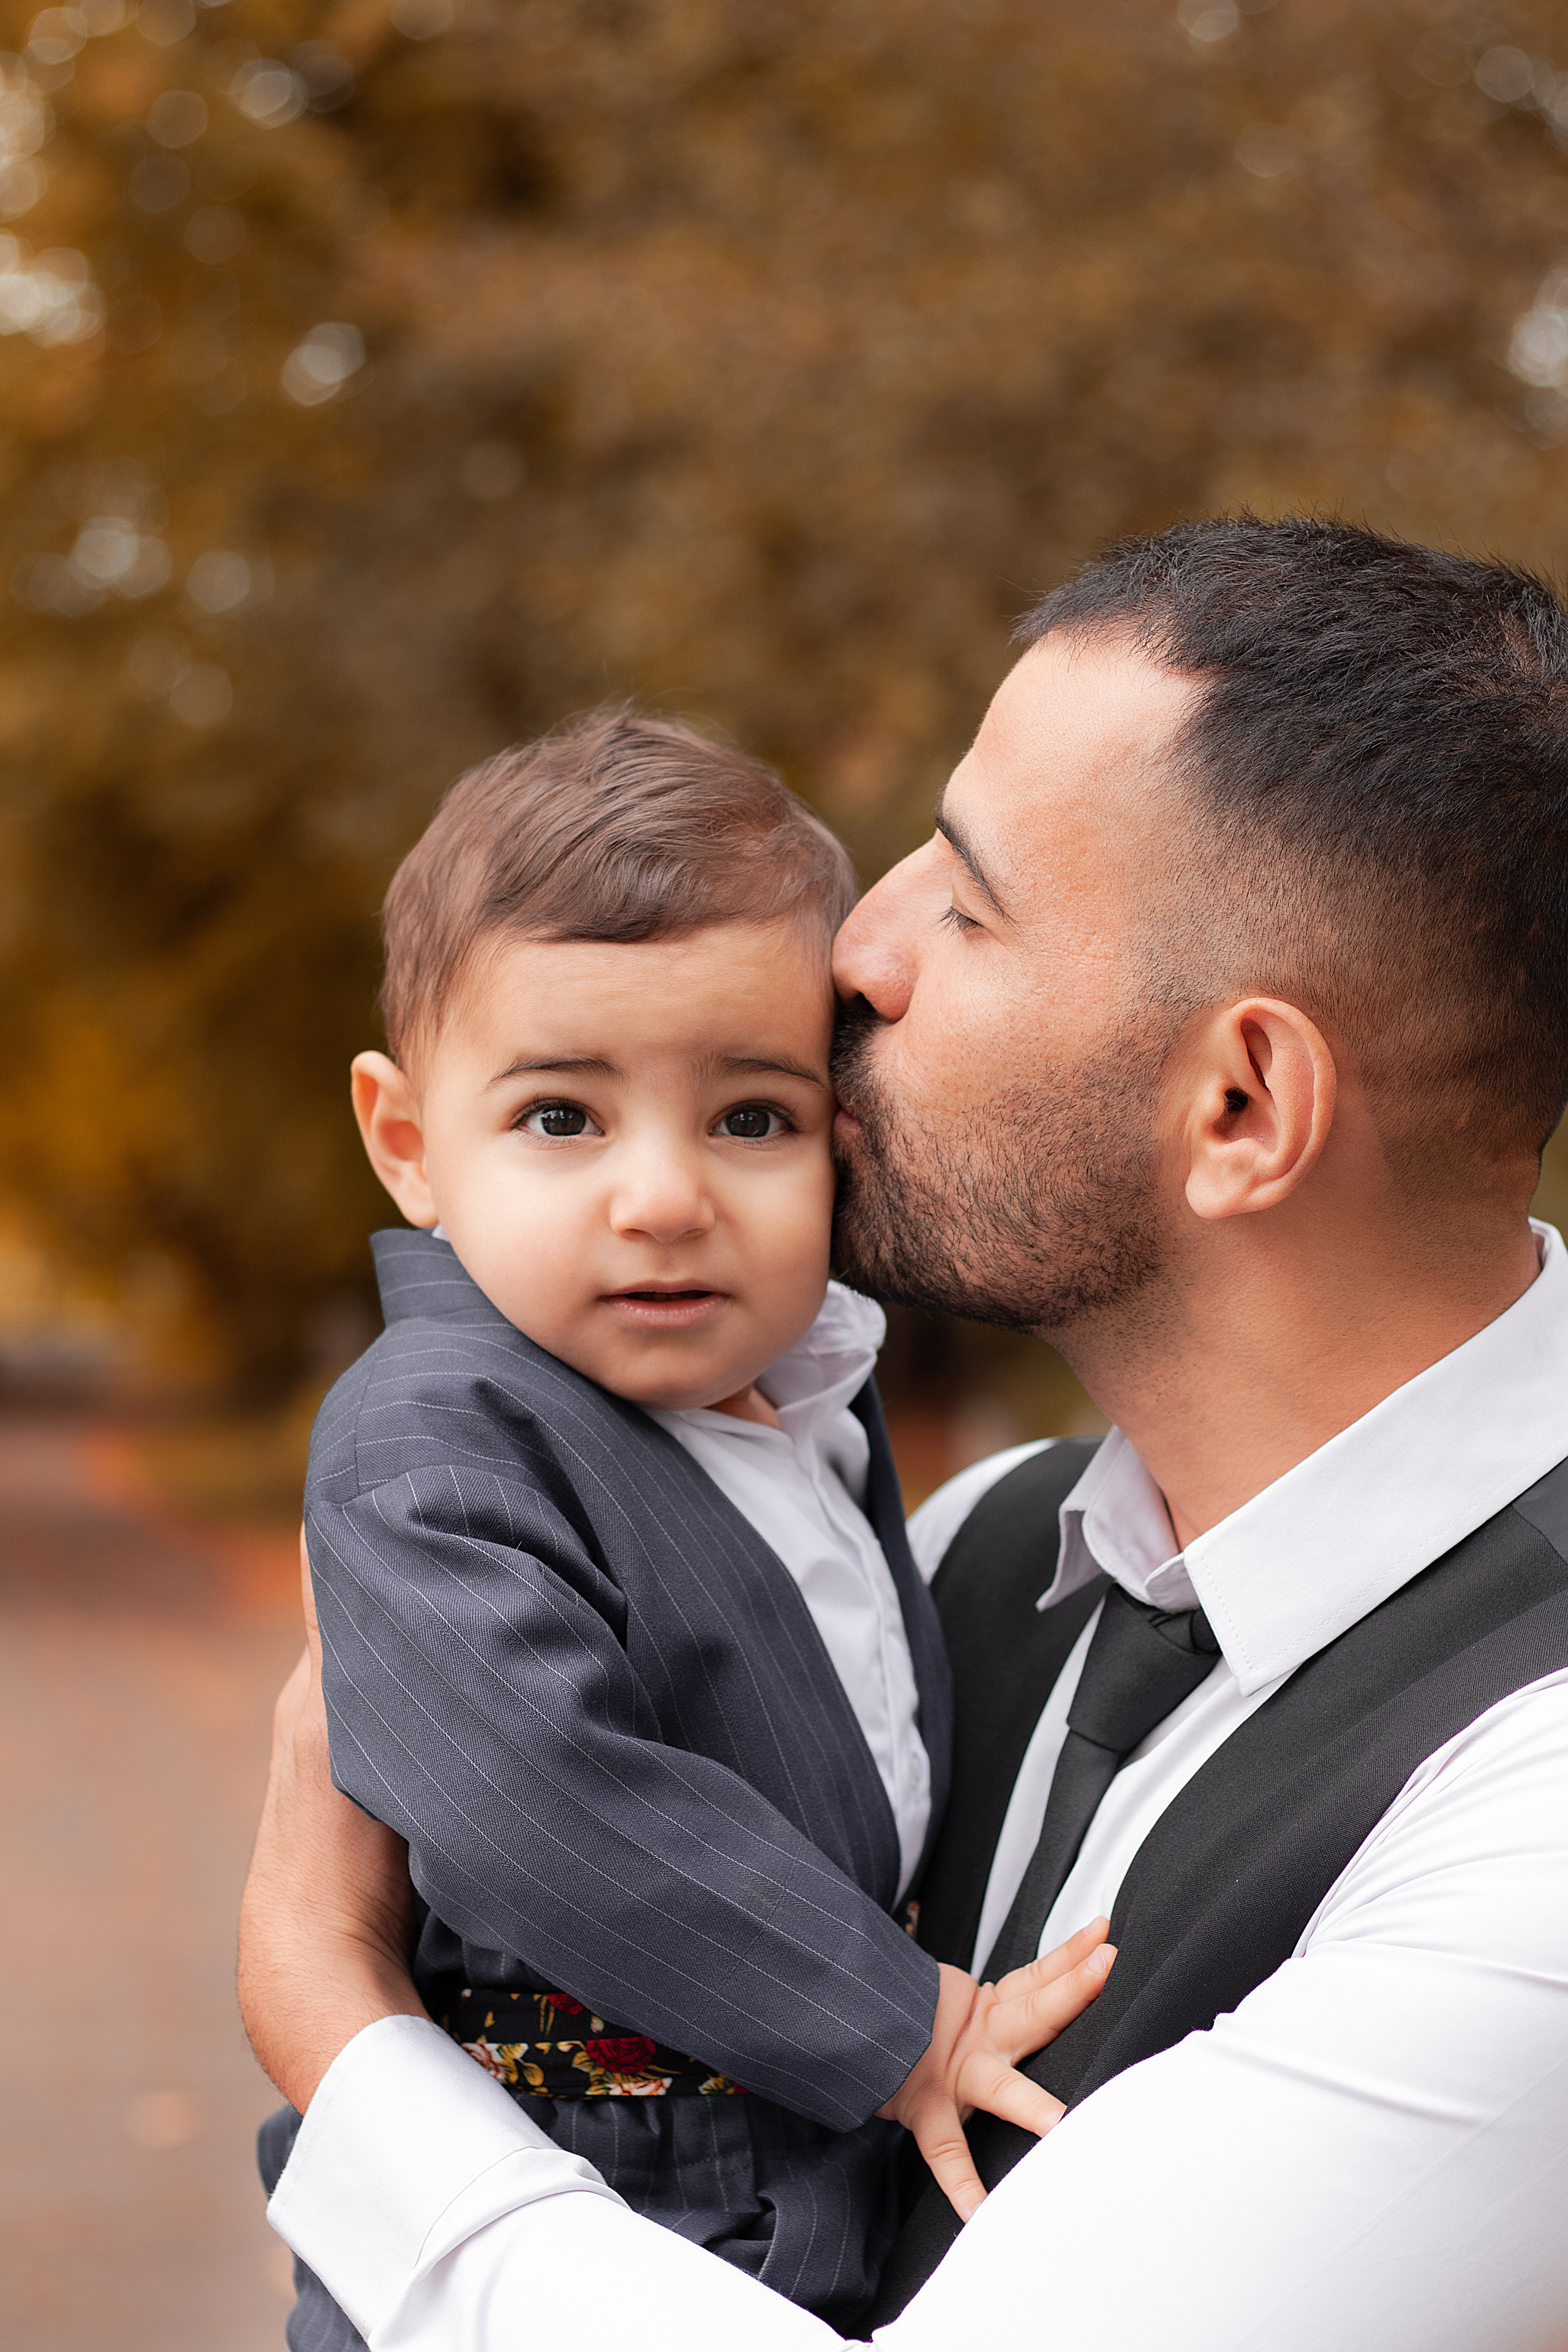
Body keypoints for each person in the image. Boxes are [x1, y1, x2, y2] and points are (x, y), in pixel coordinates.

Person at [243, 518, 1568, 2351]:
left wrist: (338, 2021)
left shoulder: (1536, 1813)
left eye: (968, 894)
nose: (854, 952)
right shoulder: (971, 1546)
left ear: (1243, 1101)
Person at [259, 709, 1117, 2351]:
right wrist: (903, 2026)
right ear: (408, 1142)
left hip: (791, 2173)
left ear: (836, 1139)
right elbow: (540, 1800)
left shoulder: (797, 1397)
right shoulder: (433, 1436)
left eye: (749, 1119)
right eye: (562, 1120)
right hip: (601, 2166)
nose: (662, 1197)